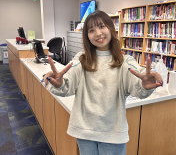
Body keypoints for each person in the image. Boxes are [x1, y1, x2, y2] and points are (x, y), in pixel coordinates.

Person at [42, 10, 163, 155]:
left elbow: (137, 78)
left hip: (113, 132)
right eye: (91, 30)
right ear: (87, 36)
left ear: (110, 29)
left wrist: (145, 83)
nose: (98, 33)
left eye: (101, 26)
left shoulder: (125, 61)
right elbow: (68, 81)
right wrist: (59, 82)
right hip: (85, 131)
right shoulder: (81, 58)